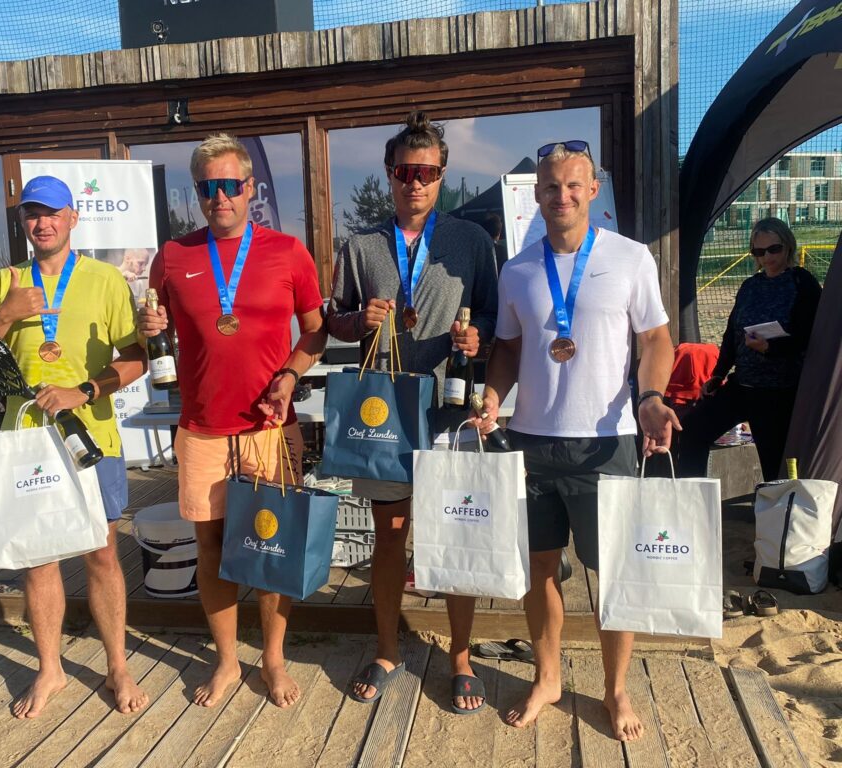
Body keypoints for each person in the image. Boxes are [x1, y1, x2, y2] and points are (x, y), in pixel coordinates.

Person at [474, 141, 679, 740]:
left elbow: (656, 340)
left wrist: (650, 398)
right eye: (550, 186)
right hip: (530, 440)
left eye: (572, 185)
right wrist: (492, 397)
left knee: (613, 574)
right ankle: (548, 678)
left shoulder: (630, 257)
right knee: (539, 568)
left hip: (606, 442)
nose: (560, 195)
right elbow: (508, 348)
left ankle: (615, 689)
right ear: (535, 194)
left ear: (592, 190)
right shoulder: (518, 269)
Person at [138, 133, 326, 708]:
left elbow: (315, 332)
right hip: (202, 428)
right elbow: (155, 330)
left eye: (229, 185)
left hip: (269, 426)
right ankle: (225, 660)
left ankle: (273, 659)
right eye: (207, 187)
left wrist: (289, 376)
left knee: (272, 542)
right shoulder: (172, 256)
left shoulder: (288, 251)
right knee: (212, 546)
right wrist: (149, 330)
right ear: (197, 192)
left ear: (250, 187)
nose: (219, 197)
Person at [326, 111, 498, 714]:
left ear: (442, 174)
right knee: (390, 536)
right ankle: (387, 650)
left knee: (455, 534)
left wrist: (478, 337)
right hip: (384, 416)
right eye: (404, 172)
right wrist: (359, 321)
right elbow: (333, 318)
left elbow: (494, 314)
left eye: (426, 172)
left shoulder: (471, 242)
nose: (415, 182)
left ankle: (460, 658)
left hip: (448, 409)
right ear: (389, 173)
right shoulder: (361, 245)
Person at [0, 175, 149, 719]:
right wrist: (6, 315)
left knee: (101, 553)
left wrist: (85, 390)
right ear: (22, 221)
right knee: (38, 558)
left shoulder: (105, 280)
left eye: (52, 213)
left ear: (73, 217)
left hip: (91, 437)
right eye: (32, 214)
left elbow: (136, 359)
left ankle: (117, 665)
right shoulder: (4, 282)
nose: (42, 223)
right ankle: (50, 669)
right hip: (23, 440)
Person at [678, 218, 821, 481]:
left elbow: (808, 336)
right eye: (758, 252)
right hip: (743, 384)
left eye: (774, 249)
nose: (766, 257)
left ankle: (777, 507)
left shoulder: (802, 282)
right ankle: (693, 500)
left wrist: (769, 347)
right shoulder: (750, 286)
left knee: (774, 466)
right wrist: (718, 374)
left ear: (788, 246)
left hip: (779, 391)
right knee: (692, 431)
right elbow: (732, 334)